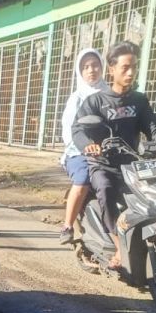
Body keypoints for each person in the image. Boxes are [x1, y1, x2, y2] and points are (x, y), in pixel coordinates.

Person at [71, 42, 156, 269]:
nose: (130, 72)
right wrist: (89, 145)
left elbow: (154, 129)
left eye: (133, 67)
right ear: (112, 70)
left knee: (154, 197)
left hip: (134, 165)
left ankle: (148, 239)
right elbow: (78, 129)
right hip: (104, 164)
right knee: (105, 189)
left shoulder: (139, 100)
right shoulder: (95, 101)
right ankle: (118, 246)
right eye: (125, 67)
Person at [57, 47, 104, 245]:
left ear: (102, 67)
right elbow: (69, 130)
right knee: (84, 178)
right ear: (80, 72)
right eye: (86, 67)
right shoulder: (77, 98)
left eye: (95, 65)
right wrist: (84, 146)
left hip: (108, 150)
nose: (91, 70)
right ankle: (67, 226)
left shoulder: (112, 95)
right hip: (79, 152)